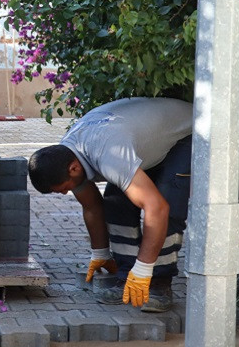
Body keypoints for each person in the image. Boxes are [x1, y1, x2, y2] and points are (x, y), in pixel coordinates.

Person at [28, 97, 193, 312]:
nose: (66, 192)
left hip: (188, 133)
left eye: (64, 188)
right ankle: (126, 275)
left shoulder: (107, 153)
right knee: (116, 203)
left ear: (74, 169)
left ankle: (159, 283)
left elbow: (157, 208)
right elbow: (92, 205)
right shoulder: (66, 154)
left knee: (167, 200)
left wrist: (144, 268)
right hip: (148, 141)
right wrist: (100, 254)